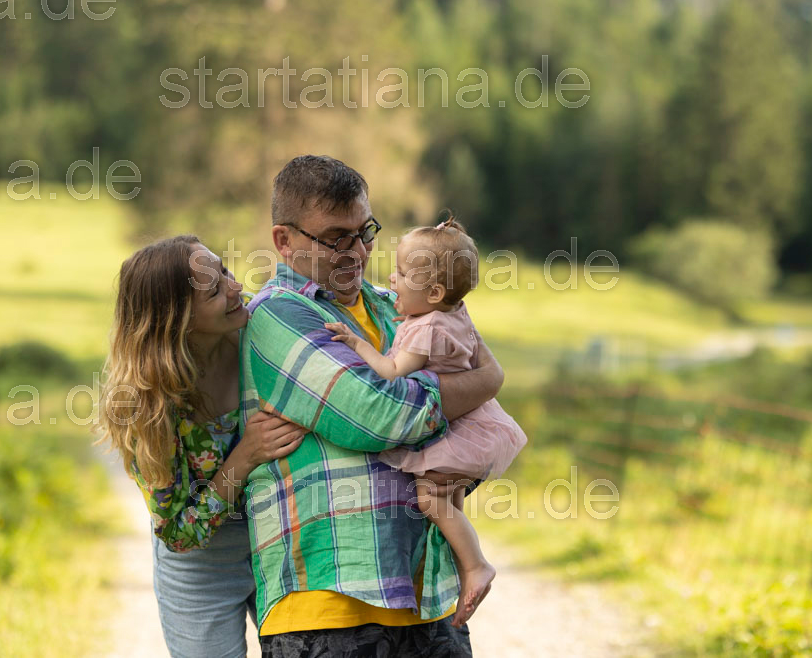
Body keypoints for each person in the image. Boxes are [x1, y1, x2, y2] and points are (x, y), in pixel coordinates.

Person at [241, 155, 504, 657]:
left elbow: (477, 386)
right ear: (284, 240)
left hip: (427, 597)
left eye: (365, 232)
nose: (358, 252)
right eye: (336, 238)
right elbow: (382, 417)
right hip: (329, 604)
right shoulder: (277, 315)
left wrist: (485, 383)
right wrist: (484, 381)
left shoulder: (392, 303)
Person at [96, 235, 307, 657]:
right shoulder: (144, 402)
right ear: (177, 320)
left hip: (278, 541)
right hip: (200, 567)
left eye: (224, 271)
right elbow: (178, 532)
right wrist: (246, 455)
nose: (235, 287)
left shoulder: (258, 341)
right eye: (213, 291)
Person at [324, 215, 527, 625]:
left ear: (434, 292)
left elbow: (391, 372)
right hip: (474, 424)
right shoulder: (453, 311)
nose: (392, 279)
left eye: (401, 274)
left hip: (453, 430)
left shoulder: (425, 329)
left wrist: (356, 343)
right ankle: (463, 571)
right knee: (449, 501)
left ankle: (476, 565)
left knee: (429, 499)